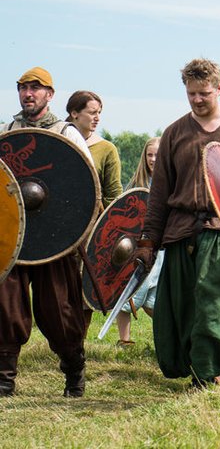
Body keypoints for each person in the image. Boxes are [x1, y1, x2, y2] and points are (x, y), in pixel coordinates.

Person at [131, 60, 220, 387]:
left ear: (219, 90)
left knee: (212, 305)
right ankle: (196, 369)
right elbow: (160, 195)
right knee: (180, 310)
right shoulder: (174, 133)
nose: (197, 99)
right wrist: (148, 241)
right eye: (191, 93)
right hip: (180, 233)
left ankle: (206, 376)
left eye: (204, 93)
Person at [0, 67, 93, 397]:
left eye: (36, 88)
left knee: (59, 310)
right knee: (6, 306)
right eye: (23, 88)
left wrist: (72, 229)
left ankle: (74, 371)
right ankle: (5, 378)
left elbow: (83, 186)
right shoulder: (6, 132)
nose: (28, 94)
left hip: (55, 235)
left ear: (49, 94)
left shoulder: (66, 133)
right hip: (13, 237)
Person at [115, 137, 164, 346]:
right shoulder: (136, 184)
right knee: (127, 295)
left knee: (152, 299)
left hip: (161, 248)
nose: (153, 159)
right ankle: (124, 340)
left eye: (157, 154)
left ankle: (168, 336)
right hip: (136, 246)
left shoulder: (170, 183)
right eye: (149, 154)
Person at [66, 90, 121, 208]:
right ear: (75, 113)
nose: (97, 118)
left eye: (99, 113)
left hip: (93, 219)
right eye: (92, 113)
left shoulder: (107, 149)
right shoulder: (57, 142)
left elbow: (113, 194)